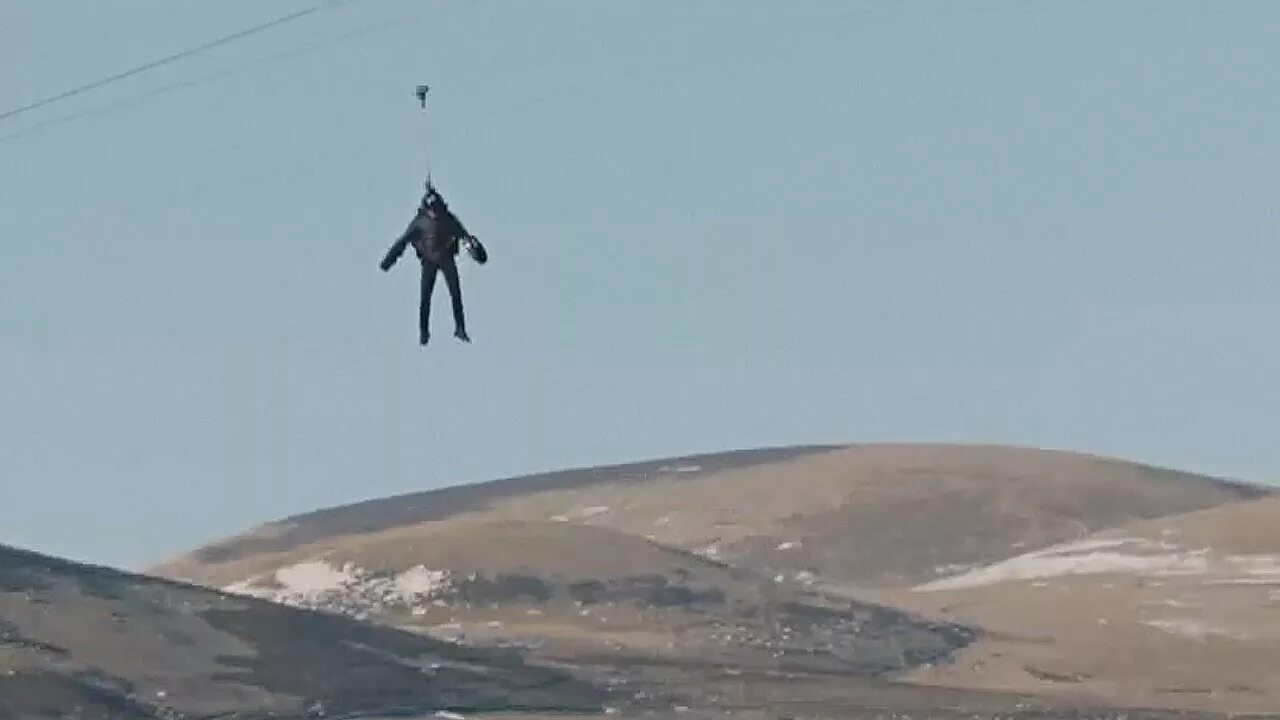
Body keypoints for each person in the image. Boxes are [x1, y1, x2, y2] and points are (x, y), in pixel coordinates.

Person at [380, 183, 477, 345]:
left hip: (446, 257)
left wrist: (476, 251)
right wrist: (388, 262)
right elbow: (402, 242)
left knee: (455, 293)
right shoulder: (420, 222)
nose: (435, 214)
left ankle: (460, 328)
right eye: (432, 211)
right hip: (429, 261)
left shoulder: (448, 219)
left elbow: (465, 236)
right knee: (425, 297)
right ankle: (424, 332)